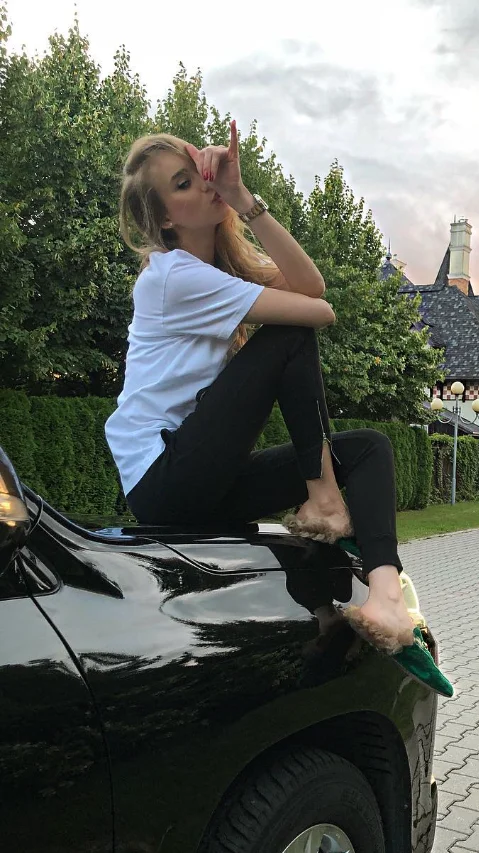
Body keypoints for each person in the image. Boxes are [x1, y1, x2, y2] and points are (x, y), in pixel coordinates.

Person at [106, 120, 415, 655]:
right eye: (184, 184)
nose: (204, 185)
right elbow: (318, 312)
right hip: (163, 475)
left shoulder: (220, 270)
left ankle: (387, 597)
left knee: (369, 450)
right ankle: (324, 500)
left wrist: (242, 196)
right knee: (289, 334)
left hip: (204, 479)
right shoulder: (173, 277)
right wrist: (318, 483)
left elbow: (312, 285)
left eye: (200, 174)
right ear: (166, 218)